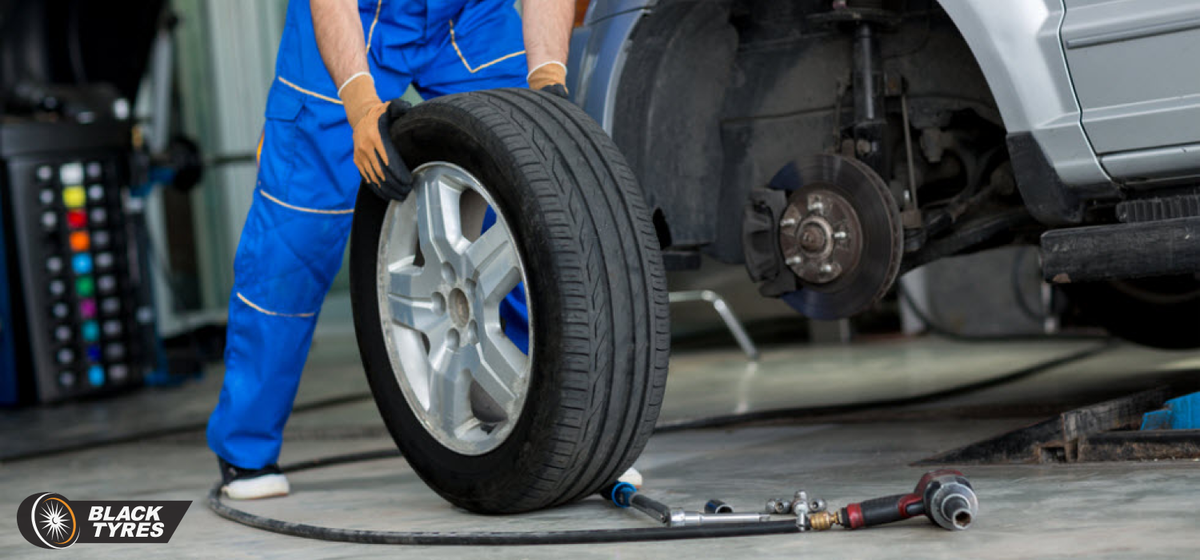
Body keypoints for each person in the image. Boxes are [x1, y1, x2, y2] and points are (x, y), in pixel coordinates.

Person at [206, 0, 596, 500]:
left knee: (528, 188)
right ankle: (246, 444)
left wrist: (545, 79)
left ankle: (560, 425)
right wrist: (362, 107)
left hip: (470, 12)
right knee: (296, 234)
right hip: (360, 15)